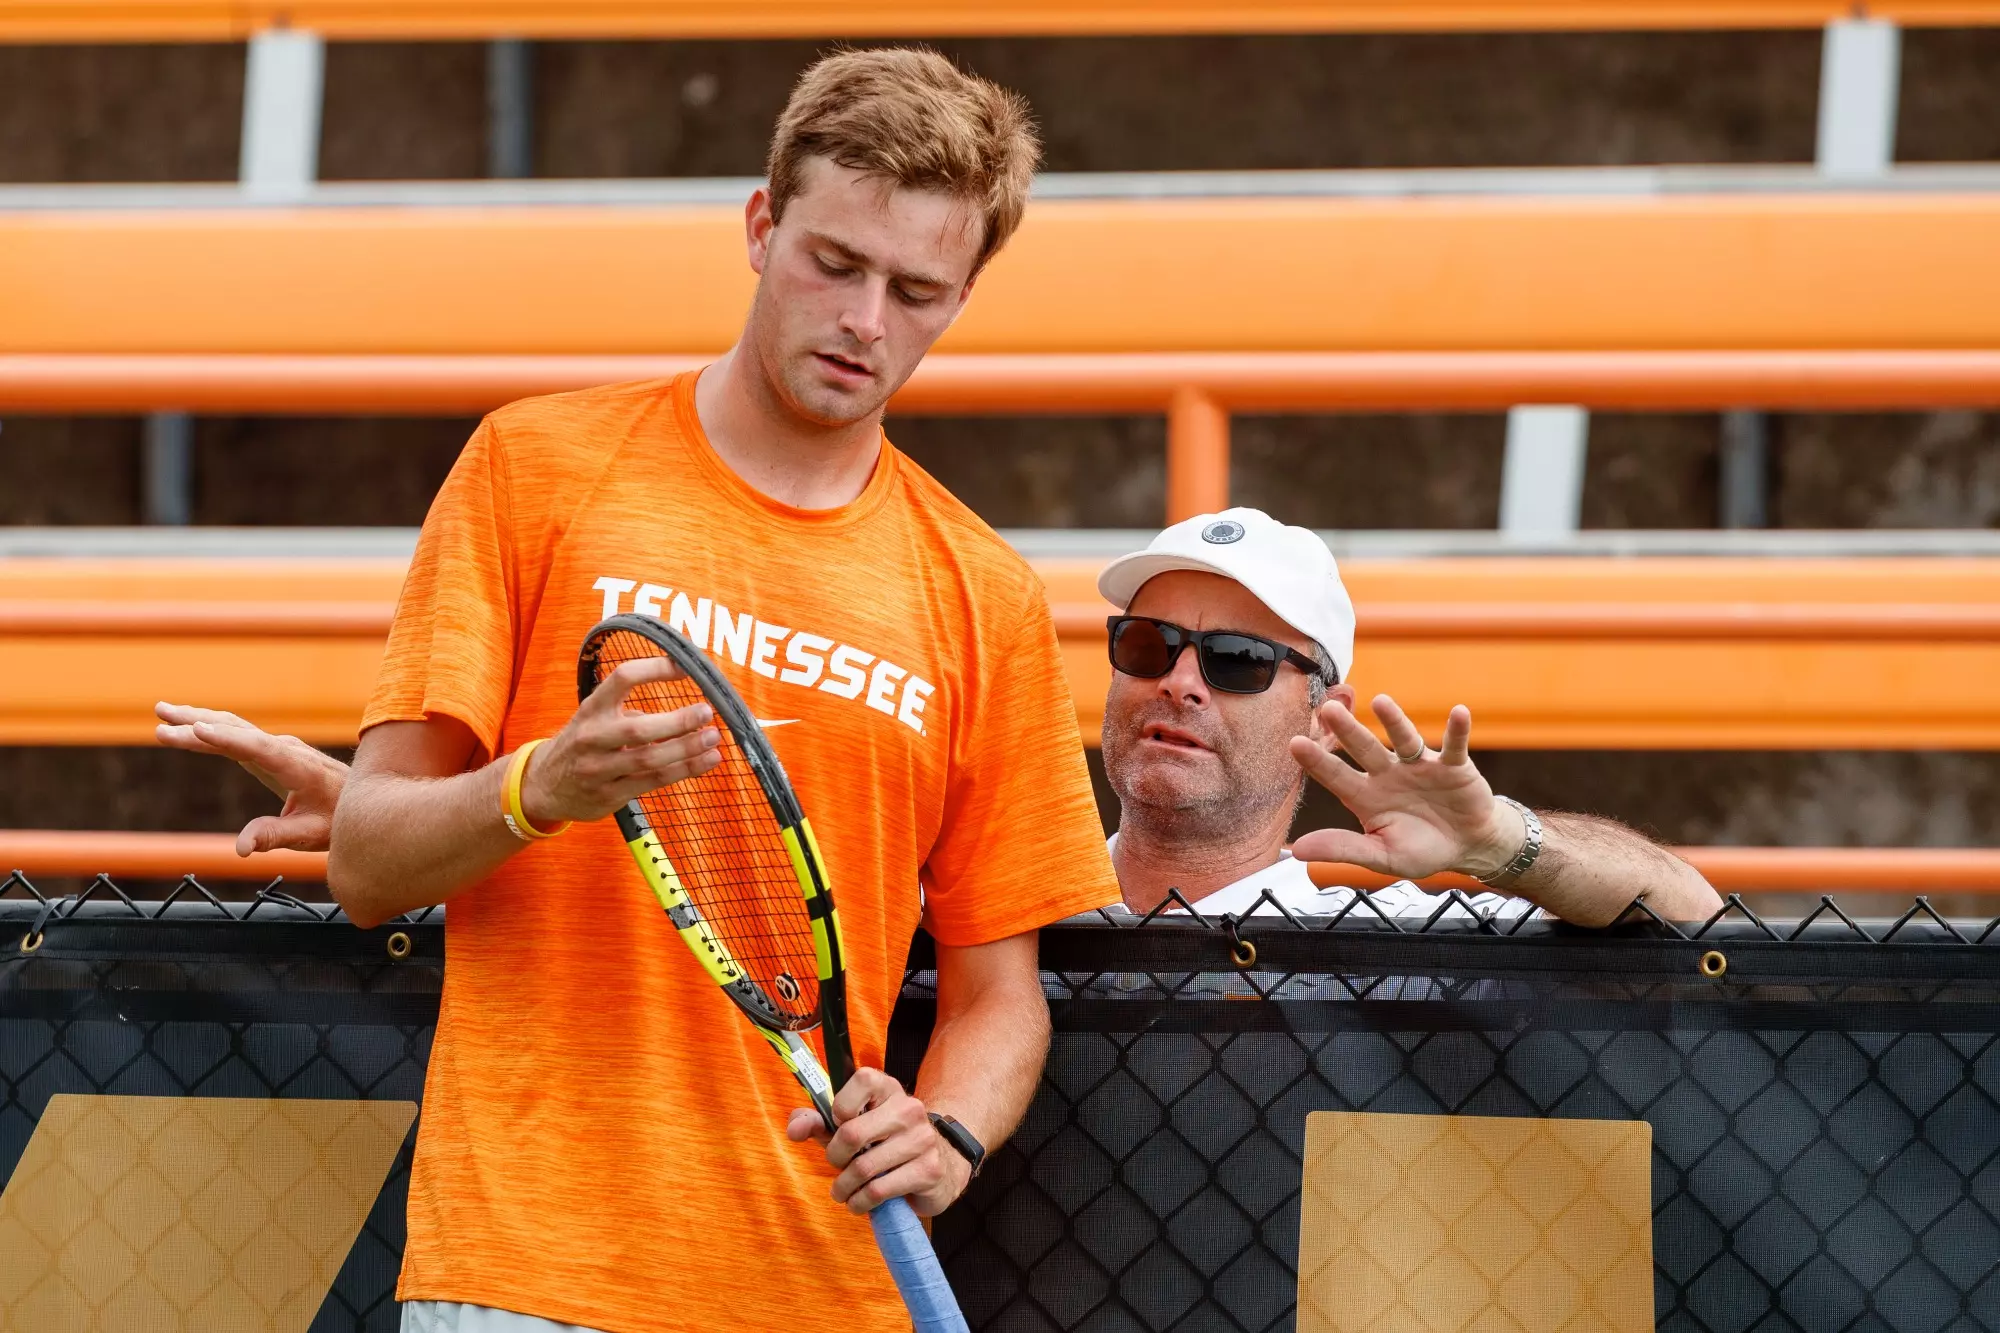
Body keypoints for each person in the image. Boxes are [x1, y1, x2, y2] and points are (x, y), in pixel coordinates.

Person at [166, 48, 1121, 1333]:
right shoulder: (534, 466)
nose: (864, 323)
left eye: (915, 291)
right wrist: (543, 783)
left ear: (961, 297)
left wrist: (948, 1128)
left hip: (824, 1286)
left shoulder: (984, 591)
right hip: (529, 1270)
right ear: (758, 225)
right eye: (833, 264)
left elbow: (998, 995)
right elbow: (369, 863)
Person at [1098, 507, 1723, 926]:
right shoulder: (1011, 916)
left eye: (1239, 659)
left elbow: (1691, 914)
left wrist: (1499, 843)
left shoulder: (1393, 939)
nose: (1180, 683)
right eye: (1147, 644)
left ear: (1323, 718)